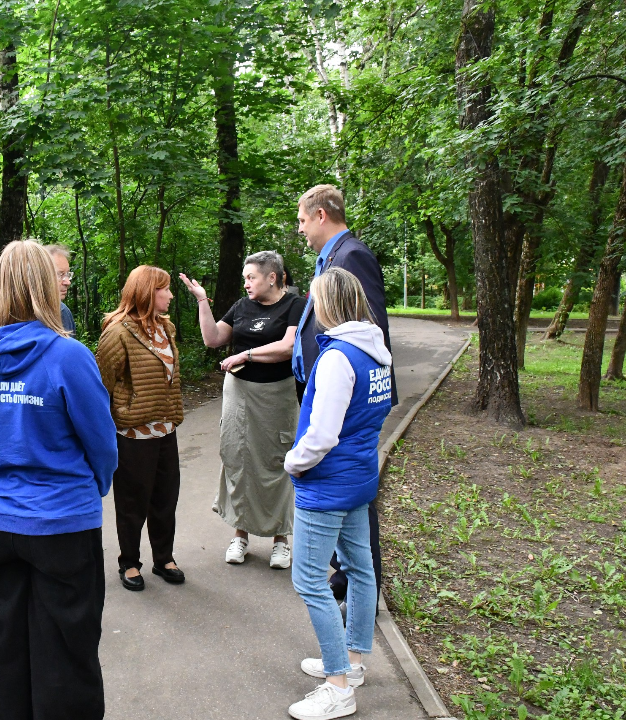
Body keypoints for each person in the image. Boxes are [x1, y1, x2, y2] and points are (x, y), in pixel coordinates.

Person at [0, 240, 118, 720]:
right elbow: (102, 444)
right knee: (67, 655)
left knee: (9, 653)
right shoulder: (67, 356)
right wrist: (93, 488)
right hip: (61, 524)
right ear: (47, 285)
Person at [283, 267, 392, 720]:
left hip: (327, 484)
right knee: (361, 570)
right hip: (361, 476)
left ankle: (337, 686)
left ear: (328, 304)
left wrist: (292, 462)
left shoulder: (336, 358)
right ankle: (353, 661)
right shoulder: (375, 351)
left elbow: (321, 435)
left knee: (308, 579)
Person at [292, 184, 396, 607]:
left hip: (345, 390)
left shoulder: (350, 256)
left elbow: (367, 327)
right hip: (333, 385)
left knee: (349, 482)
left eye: (301, 220)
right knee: (345, 479)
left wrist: (372, 385)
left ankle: (359, 584)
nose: (300, 229)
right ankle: (349, 576)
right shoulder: (333, 256)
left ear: (320, 215)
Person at [180, 251, 307, 569]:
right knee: (239, 458)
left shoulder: (295, 305)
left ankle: (281, 540)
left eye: (251, 277)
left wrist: (245, 355)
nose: (246, 283)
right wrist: (202, 302)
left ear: (272, 277)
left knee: (277, 461)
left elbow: (289, 347)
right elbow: (212, 339)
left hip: (277, 395)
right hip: (238, 394)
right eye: (245, 278)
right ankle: (240, 536)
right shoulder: (241, 306)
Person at [96, 266, 185, 591]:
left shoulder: (167, 327)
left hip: (165, 431)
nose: (171, 295)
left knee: (165, 499)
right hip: (133, 437)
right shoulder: (118, 332)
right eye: (165, 289)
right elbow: (101, 385)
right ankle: (129, 563)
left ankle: (164, 558)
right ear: (148, 292)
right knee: (133, 504)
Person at [0, 243, 76, 344]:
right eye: (60, 274)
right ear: (39, 274)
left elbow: (70, 357)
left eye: (68, 274)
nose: (67, 282)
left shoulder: (62, 311)